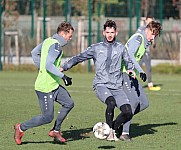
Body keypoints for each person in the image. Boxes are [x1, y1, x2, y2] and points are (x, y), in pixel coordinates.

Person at [60, 20, 136, 141]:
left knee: (128, 112)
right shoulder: (96, 48)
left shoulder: (121, 48)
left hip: (117, 86)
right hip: (101, 85)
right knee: (110, 103)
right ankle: (110, 133)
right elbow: (79, 57)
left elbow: (128, 61)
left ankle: (113, 128)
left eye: (112, 32)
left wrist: (131, 69)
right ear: (103, 33)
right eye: (107, 32)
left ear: (116, 33)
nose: (110, 35)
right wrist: (65, 66)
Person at [14, 22, 75, 145]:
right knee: (47, 117)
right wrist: (64, 76)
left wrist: (41, 67)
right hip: (45, 87)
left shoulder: (49, 40)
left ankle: (55, 131)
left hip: (54, 84)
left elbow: (34, 52)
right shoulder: (56, 46)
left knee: (69, 103)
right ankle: (21, 128)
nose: (71, 38)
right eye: (70, 35)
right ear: (63, 33)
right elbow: (48, 65)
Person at [120, 21, 162, 141]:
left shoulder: (145, 42)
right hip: (124, 73)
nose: (153, 37)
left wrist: (138, 72)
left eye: (155, 35)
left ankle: (118, 122)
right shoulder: (138, 38)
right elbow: (130, 55)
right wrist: (141, 71)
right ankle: (124, 132)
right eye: (152, 34)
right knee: (133, 102)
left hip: (132, 74)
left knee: (144, 103)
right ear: (147, 29)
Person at [138, 16, 160, 91]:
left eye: (151, 21)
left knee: (148, 68)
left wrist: (153, 43)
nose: (150, 22)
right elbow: (137, 37)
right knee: (136, 68)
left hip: (147, 51)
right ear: (146, 21)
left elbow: (152, 39)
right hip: (139, 52)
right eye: (149, 21)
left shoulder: (152, 29)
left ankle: (150, 84)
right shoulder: (141, 29)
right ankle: (129, 83)